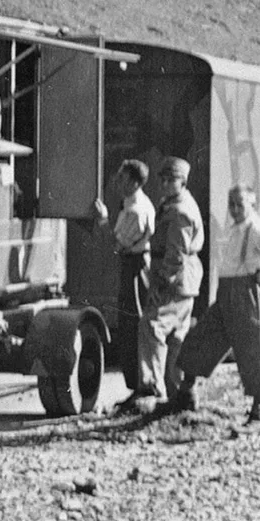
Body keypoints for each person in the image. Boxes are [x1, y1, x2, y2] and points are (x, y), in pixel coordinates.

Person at [170, 185, 260, 425]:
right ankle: (187, 392)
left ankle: (259, 410)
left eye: (239, 205)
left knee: (252, 350)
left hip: (246, 294)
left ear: (252, 205)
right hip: (227, 292)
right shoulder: (236, 228)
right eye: (231, 204)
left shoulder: (256, 228)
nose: (234, 209)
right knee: (202, 337)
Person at [117, 157, 204, 414]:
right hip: (184, 281)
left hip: (175, 281)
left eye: (171, 180)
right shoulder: (176, 204)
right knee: (176, 335)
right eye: (162, 179)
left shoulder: (179, 212)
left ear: (183, 182)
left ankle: (152, 387)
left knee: (151, 325)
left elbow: (175, 255)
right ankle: (179, 394)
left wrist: (161, 284)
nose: (165, 184)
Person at [110, 159, 155, 395]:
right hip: (134, 264)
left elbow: (119, 244)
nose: (118, 182)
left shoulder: (136, 211)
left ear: (135, 182)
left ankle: (140, 384)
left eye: (123, 178)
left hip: (134, 267)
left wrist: (101, 221)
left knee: (132, 323)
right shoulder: (130, 204)